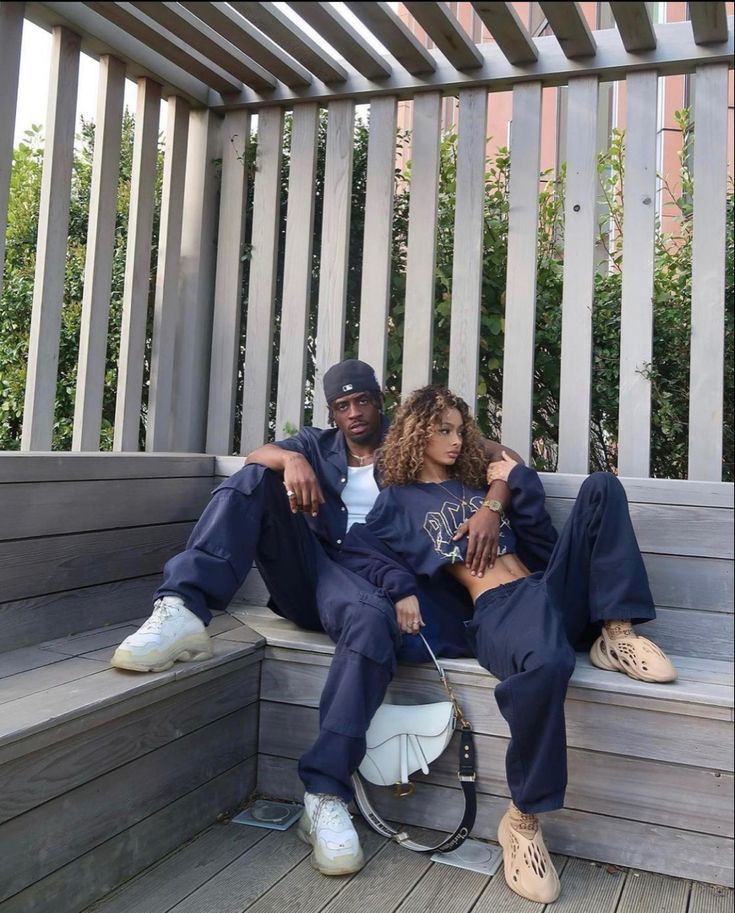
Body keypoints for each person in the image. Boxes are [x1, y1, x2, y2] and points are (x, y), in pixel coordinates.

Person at [111, 361, 514, 877]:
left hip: (373, 584)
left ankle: (324, 795)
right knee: (256, 476)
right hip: (314, 570)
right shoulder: (316, 446)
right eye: (341, 407)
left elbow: (501, 458)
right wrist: (288, 461)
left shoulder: (412, 441)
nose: (353, 414)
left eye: (362, 401)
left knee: (370, 620)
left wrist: (494, 505)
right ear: (331, 413)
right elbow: (257, 456)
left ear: (379, 400)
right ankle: (183, 607)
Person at [338, 384, 676, 904]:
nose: (455, 441)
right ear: (415, 435)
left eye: (460, 430)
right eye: (442, 431)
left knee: (603, 487)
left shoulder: (479, 485)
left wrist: (498, 498)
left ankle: (616, 633)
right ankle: (521, 822)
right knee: (546, 664)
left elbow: (527, 504)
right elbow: (357, 550)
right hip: (499, 610)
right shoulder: (397, 503)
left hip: (545, 590)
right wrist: (402, 589)